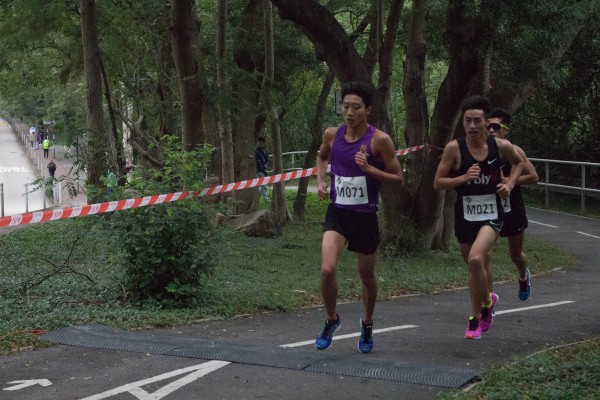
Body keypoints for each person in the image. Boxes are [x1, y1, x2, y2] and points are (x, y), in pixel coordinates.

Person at [314, 81, 403, 353]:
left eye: (356, 107)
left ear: (368, 110)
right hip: (338, 213)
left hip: (365, 217)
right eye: (345, 107)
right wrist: (320, 181)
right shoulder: (332, 135)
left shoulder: (379, 140)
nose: (349, 112)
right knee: (327, 269)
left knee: (366, 277)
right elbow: (322, 158)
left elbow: (398, 178)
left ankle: (367, 322)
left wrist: (370, 170)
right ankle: (332, 319)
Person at [434, 95, 524, 340]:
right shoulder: (455, 148)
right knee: (474, 266)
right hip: (465, 215)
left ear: (486, 123)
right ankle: (488, 300)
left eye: (477, 121)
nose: (472, 126)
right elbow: (438, 182)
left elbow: (519, 163)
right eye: (467, 121)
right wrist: (463, 178)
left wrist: (510, 184)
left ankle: (474, 318)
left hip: (492, 214)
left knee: (476, 259)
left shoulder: (500, 146)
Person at [486, 108, 539, 300]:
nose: (491, 130)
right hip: (490, 209)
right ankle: (486, 301)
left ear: (505, 130)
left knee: (516, 256)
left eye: (496, 126)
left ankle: (523, 275)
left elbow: (533, 177)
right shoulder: (479, 151)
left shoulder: (514, 152)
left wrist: (509, 181)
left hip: (512, 207)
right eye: (488, 126)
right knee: (485, 255)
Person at [255, 136, 270, 204]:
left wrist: (266, 165)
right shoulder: (257, 152)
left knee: (263, 186)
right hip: (259, 171)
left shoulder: (266, 151)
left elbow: (267, 160)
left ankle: (265, 200)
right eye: (259, 142)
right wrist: (263, 168)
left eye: (262, 142)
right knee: (262, 186)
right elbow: (258, 163)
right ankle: (264, 200)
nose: (261, 143)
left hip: (264, 170)